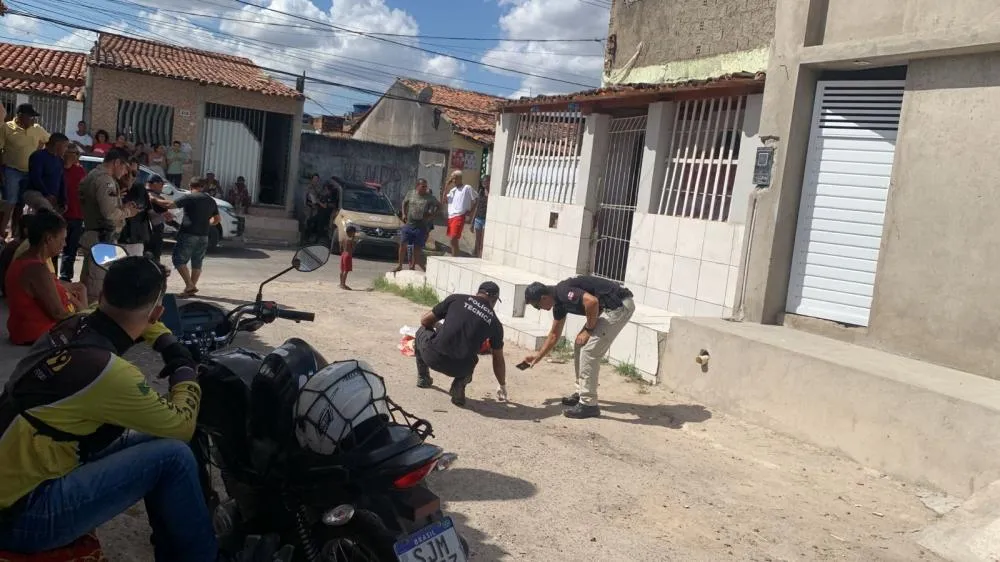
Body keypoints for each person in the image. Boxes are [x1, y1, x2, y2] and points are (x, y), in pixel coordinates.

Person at [0, 256, 218, 561]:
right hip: (23, 517)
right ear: (157, 312)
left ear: (102, 297)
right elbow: (182, 426)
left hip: (17, 479)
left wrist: (167, 341)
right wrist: (184, 369)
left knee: (159, 444)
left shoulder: (72, 325)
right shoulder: (110, 373)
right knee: (174, 455)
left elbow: (142, 322)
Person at [523, 276, 636, 419]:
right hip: (610, 306)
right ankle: (581, 392)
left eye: (536, 305)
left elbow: (592, 302)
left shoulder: (563, 291)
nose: (539, 309)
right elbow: (554, 335)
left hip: (619, 306)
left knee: (589, 351)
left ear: (544, 297)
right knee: (580, 343)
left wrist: (589, 330)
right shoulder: (558, 304)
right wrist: (538, 356)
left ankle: (588, 404)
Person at [414, 281, 507, 406]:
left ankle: (423, 378)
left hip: (432, 357)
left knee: (421, 331)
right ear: (495, 300)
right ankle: (459, 385)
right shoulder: (496, 324)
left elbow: (424, 320)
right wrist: (502, 384)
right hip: (461, 368)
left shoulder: (456, 298)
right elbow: (498, 359)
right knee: (473, 358)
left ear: (477, 293)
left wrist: (438, 327)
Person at [4, 210, 87, 345]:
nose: (64, 244)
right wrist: (85, 317)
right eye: (62, 239)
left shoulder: (31, 262)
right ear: (49, 239)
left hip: (32, 332)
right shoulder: (36, 269)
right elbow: (59, 314)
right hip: (39, 335)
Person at [79, 148, 138, 303]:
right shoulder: (105, 180)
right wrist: (127, 212)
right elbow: (110, 213)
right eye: (125, 167)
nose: (126, 172)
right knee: (97, 288)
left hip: (95, 235)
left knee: (89, 282)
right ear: (117, 162)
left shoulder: (93, 175)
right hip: (101, 239)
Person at [0, 104, 49, 239]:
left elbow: (50, 141)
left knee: (21, 203)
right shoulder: (6, 128)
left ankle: (15, 233)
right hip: (11, 170)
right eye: (30, 117)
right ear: (20, 116)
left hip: (30, 172)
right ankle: (1, 232)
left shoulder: (37, 129)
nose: (32, 120)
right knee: (10, 201)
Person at [172, 176, 219, 296]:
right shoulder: (211, 200)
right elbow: (217, 219)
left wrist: (155, 200)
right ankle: (190, 290)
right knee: (197, 262)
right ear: (203, 187)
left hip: (188, 233)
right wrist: (207, 223)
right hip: (204, 235)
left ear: (190, 186)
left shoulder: (190, 197)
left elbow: (171, 205)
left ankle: (189, 285)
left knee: (178, 259)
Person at [394, 178, 439, 272]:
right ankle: (400, 265)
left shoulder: (429, 197)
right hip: (409, 224)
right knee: (403, 244)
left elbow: (439, 206)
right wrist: (404, 213)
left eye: (426, 187)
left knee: (417, 248)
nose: (425, 188)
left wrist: (432, 215)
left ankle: (412, 266)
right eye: (423, 186)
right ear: (417, 186)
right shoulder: (411, 193)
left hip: (421, 226)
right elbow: (404, 202)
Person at [59, 144, 87, 282]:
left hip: (76, 216)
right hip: (60, 215)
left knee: (71, 250)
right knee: (54, 248)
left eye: (78, 154)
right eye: (75, 153)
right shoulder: (58, 169)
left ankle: (65, 277)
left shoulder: (80, 170)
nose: (77, 156)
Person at [23, 133, 69, 214]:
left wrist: (63, 201)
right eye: (65, 146)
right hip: (35, 193)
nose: (66, 149)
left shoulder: (60, 160)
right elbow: (36, 177)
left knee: (58, 221)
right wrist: (46, 194)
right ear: (57, 145)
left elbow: (62, 181)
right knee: (46, 209)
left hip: (53, 197)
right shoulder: (38, 156)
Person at [118, 160, 152, 257]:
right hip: (116, 237)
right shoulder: (112, 186)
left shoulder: (140, 188)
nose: (129, 176)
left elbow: (145, 208)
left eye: (133, 173)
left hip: (135, 239)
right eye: (127, 172)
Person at [441, 169, 476, 257]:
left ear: (460, 178)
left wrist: (471, 212)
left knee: (454, 238)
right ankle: (455, 257)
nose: (454, 180)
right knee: (452, 240)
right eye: (452, 179)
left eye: (455, 178)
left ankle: (454, 258)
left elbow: (476, 199)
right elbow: (444, 200)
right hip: (451, 217)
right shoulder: (452, 190)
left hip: (459, 216)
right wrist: (446, 186)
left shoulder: (467, 188)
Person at [145, 175, 172, 263]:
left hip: (141, 233)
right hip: (154, 232)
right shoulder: (155, 197)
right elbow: (168, 217)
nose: (162, 187)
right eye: (161, 185)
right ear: (155, 184)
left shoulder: (142, 193)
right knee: (154, 260)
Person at [470, 175, 490, 258]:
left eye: (486, 181)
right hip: (478, 218)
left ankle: (480, 256)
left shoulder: (491, 193)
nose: (484, 183)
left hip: (486, 219)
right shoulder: (481, 191)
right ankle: (477, 256)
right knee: (477, 240)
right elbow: (477, 206)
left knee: (482, 241)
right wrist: (472, 221)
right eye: (483, 181)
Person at [339, 224, 356, 290]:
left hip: (343, 254)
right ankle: (343, 284)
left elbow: (340, 248)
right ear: (351, 232)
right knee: (346, 271)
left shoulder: (343, 238)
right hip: (348, 255)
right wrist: (354, 238)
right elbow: (353, 247)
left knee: (342, 270)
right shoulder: (350, 240)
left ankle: (341, 284)